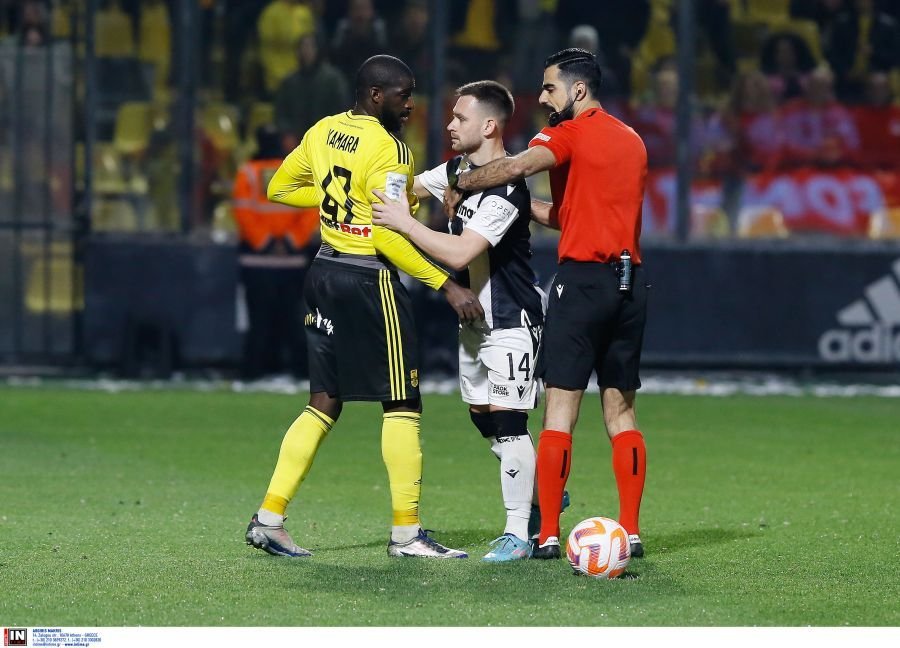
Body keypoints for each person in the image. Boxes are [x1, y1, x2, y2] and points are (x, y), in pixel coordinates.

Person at [245, 54, 481, 559]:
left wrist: (340, 202)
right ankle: (407, 534)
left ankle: (269, 519)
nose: (411, 104)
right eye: (403, 95)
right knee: (402, 403)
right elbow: (386, 235)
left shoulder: (323, 130)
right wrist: (447, 285)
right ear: (377, 96)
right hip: (368, 281)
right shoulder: (390, 149)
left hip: (323, 273)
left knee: (323, 401)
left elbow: (279, 188)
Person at [446, 48, 650, 560]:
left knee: (560, 409)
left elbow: (514, 167)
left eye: (549, 88)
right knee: (621, 410)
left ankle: (548, 533)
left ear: (578, 90)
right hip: (630, 285)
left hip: (581, 283)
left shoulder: (565, 133)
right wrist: (524, 208)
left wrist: (459, 182)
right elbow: (570, 213)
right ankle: (630, 531)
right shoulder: (632, 140)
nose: (541, 98)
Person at [372, 80, 545, 562]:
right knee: (481, 415)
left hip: (511, 318)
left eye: (460, 117)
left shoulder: (508, 189)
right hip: (474, 320)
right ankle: (537, 490)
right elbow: (405, 186)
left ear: (488, 126)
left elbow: (462, 251)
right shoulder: (455, 171)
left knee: (509, 422)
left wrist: (405, 223)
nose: (449, 124)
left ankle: (518, 532)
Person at [232, 124, 319, 380]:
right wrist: (291, 241)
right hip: (292, 261)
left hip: (256, 261)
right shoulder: (297, 172)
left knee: (258, 321)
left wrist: (265, 242)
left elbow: (243, 211)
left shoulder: (248, 172)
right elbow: (312, 209)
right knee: (294, 320)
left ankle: (253, 372)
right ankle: (300, 373)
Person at [274, 33, 350, 154]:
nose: (305, 52)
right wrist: (287, 133)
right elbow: (281, 113)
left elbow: (343, 111)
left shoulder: (333, 80)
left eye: (309, 47)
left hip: (328, 139)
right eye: (302, 48)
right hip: (297, 142)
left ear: (318, 50)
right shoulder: (289, 82)